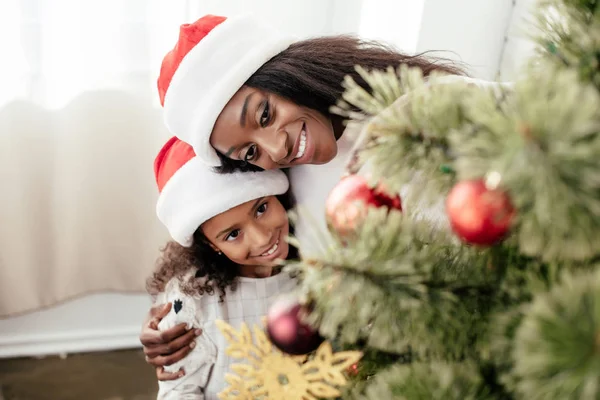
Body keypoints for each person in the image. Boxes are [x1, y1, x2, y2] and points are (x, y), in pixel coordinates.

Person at [142, 14, 507, 378]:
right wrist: (177, 311)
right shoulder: (285, 182)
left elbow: (542, 124)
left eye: (265, 114)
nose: (276, 147)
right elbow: (216, 214)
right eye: (249, 152)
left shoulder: (429, 107)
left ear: (285, 70)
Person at [147, 136, 298, 397]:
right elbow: (179, 391)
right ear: (211, 245)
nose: (262, 238)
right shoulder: (193, 302)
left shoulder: (313, 271)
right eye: (232, 234)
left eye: (261, 208)